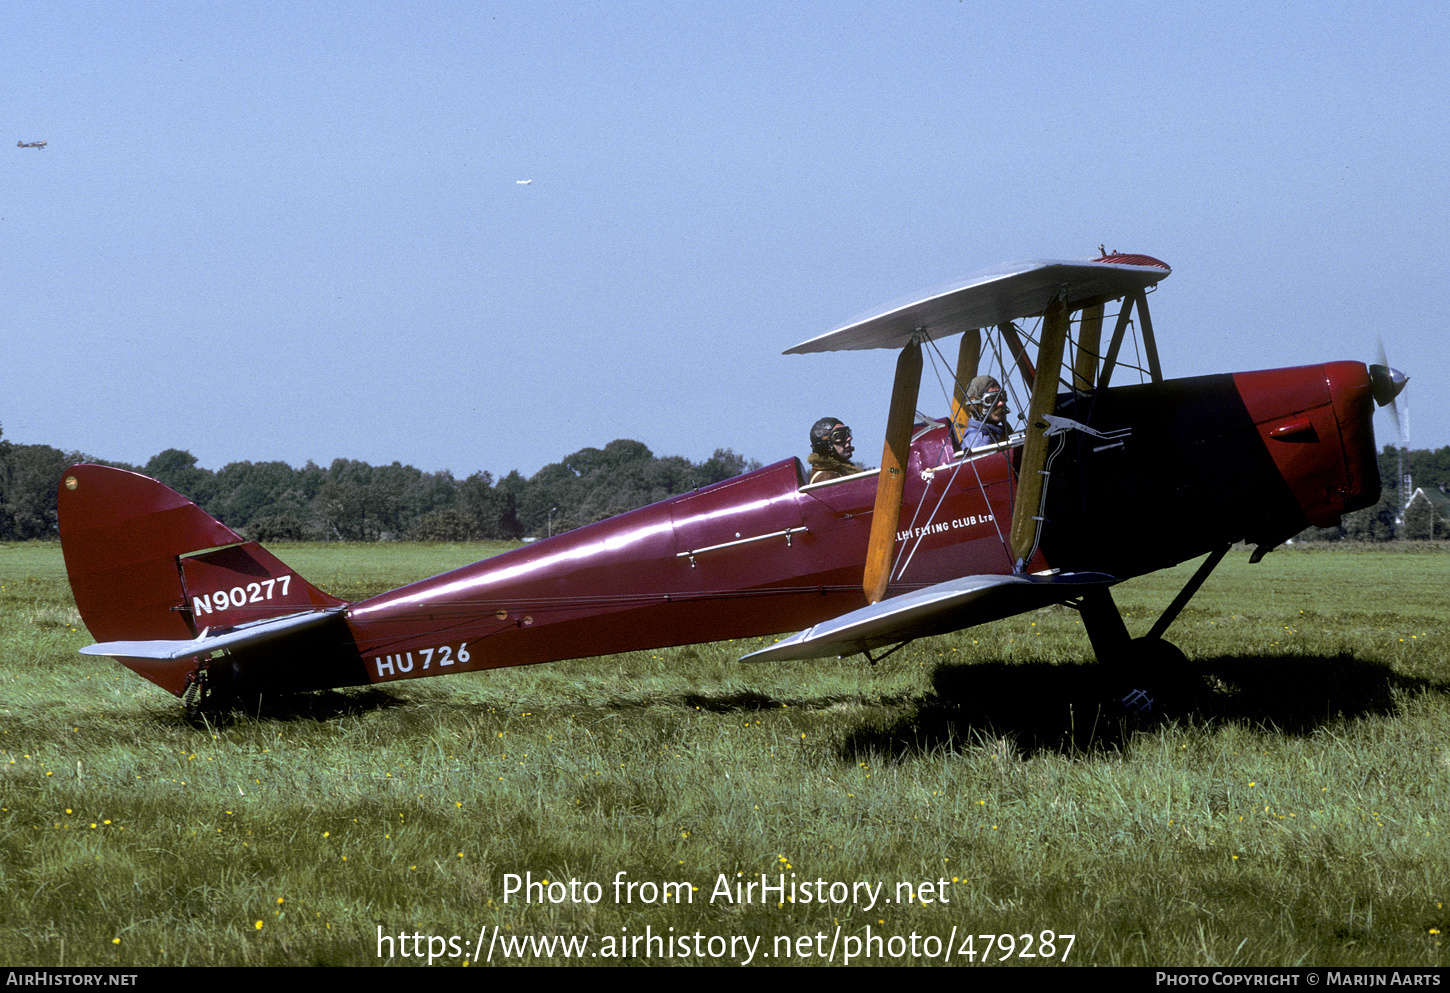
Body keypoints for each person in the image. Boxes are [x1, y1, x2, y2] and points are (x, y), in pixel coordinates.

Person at [960, 375, 1010, 449]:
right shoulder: (981, 442)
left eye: (1002, 397)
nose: (1001, 403)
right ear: (975, 405)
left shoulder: (995, 433)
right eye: (991, 399)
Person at [806, 417, 862, 483]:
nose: (849, 438)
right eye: (839, 436)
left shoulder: (838, 472)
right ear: (824, 445)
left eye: (847, 434)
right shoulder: (827, 478)